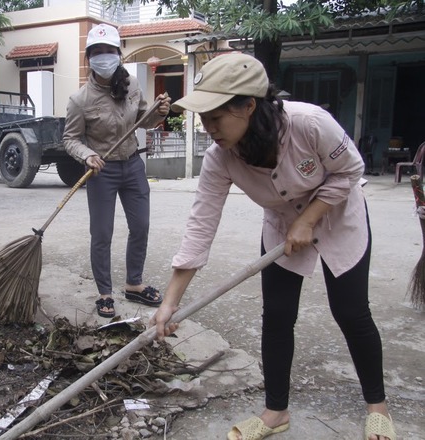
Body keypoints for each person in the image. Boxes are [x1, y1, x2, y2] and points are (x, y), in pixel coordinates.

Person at [150, 53, 396, 440]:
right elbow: (201, 225)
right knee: (277, 315)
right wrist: (170, 301)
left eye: (216, 116)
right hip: (283, 226)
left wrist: (310, 217)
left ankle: (378, 407)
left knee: (351, 312)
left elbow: (351, 169)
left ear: (249, 105)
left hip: (337, 215)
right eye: (204, 118)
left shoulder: (308, 123)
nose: (208, 127)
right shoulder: (220, 158)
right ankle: (275, 412)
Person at [63, 23, 171, 318]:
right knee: (102, 233)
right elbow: (70, 139)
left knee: (141, 226)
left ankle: (133, 284)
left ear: (118, 53)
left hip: (133, 165)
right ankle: (104, 293)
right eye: (97, 52)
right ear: (89, 58)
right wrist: (87, 156)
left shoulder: (133, 84)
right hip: (102, 172)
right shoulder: (79, 100)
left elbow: (143, 121)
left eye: (109, 50)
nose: (104, 56)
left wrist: (158, 113)